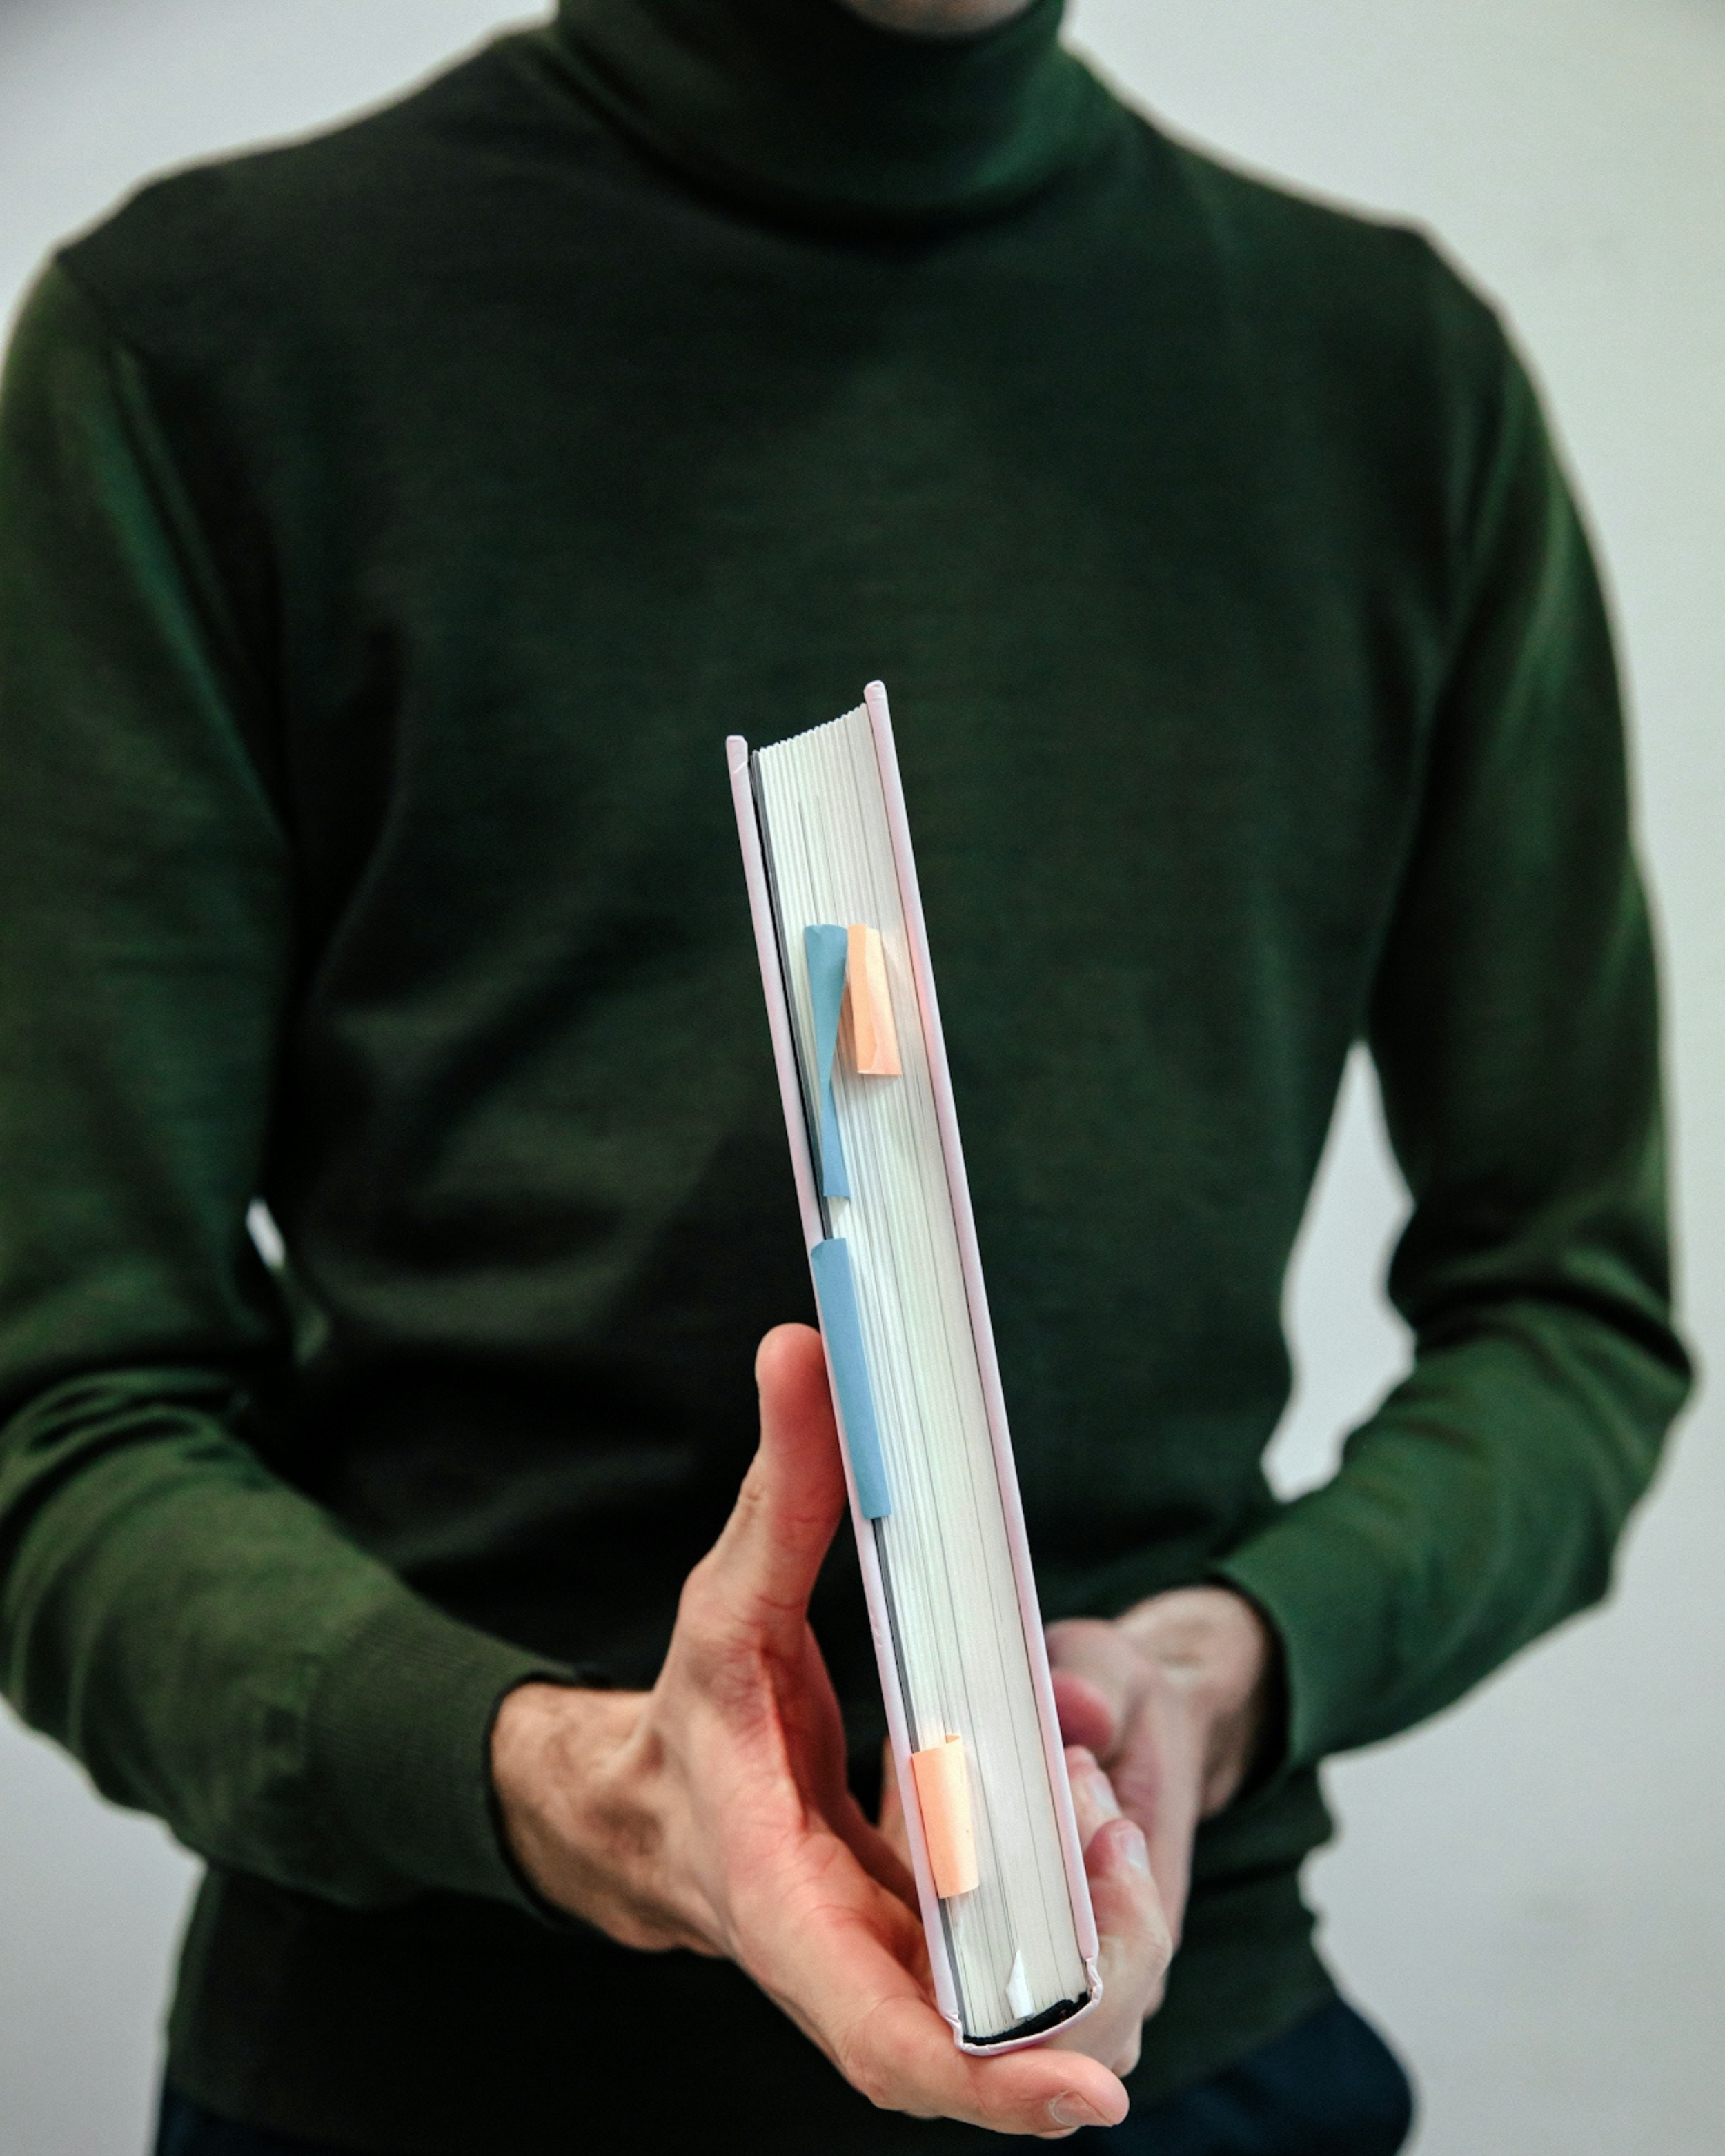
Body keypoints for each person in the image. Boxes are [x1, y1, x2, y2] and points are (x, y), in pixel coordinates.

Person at [0, 0, 1690, 2150]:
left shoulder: (1389, 380)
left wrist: (1211, 1673)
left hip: (1187, 2058)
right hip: (425, 2077)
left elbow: (1570, 1315)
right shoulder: (198, 351)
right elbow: (64, 1409)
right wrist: (579, 1786)